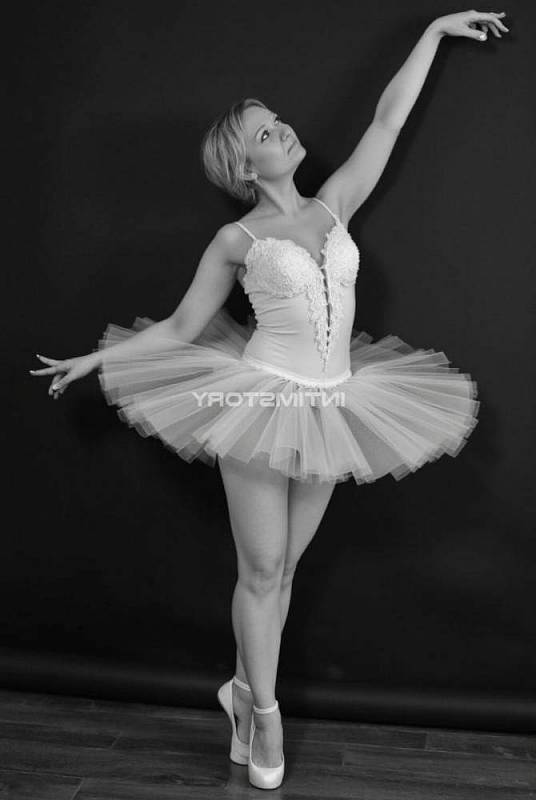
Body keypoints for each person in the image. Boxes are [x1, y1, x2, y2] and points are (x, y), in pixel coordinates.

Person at [29, 9, 508, 790]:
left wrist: (433, 31)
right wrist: (96, 358)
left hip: (335, 402)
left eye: (277, 120)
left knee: (284, 571)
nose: (282, 128)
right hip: (260, 401)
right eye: (263, 131)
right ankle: (267, 716)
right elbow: (182, 326)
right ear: (245, 166)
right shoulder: (237, 241)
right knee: (261, 570)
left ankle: (241, 693)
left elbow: (389, 119)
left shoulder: (336, 202)